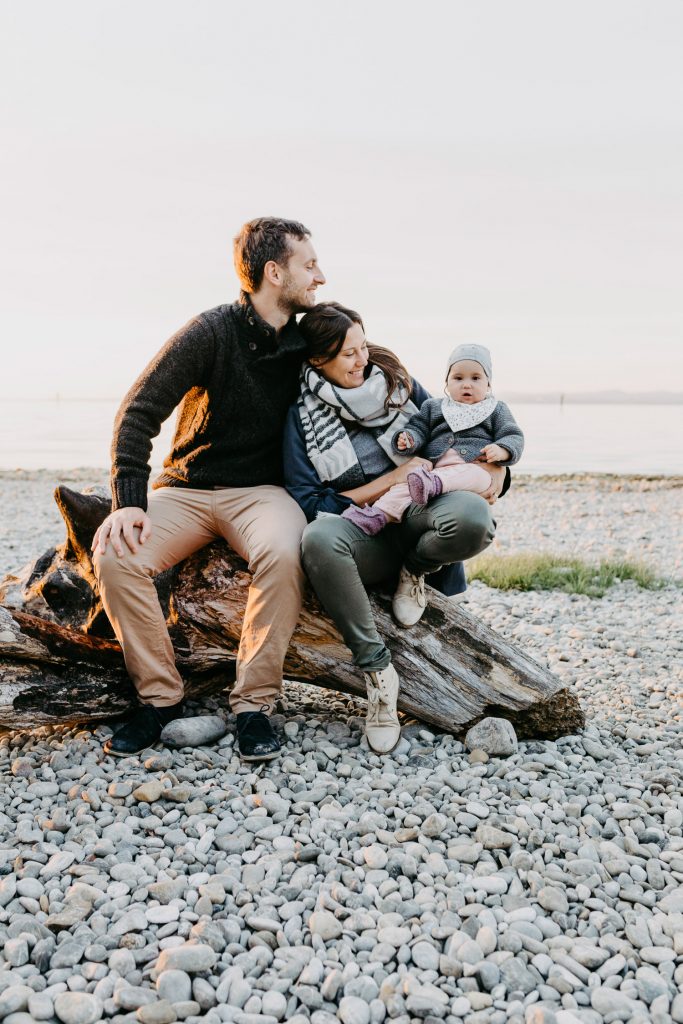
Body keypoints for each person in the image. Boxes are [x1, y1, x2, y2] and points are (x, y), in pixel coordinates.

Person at [91, 217, 325, 761]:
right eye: (309, 265)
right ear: (274, 272)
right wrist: (128, 502)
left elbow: (377, 375)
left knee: (285, 553)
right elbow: (138, 411)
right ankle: (160, 699)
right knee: (116, 557)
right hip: (186, 489)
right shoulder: (211, 331)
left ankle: (253, 706)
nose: (321, 276)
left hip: (262, 494)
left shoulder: (310, 336)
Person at [283, 303, 507, 755]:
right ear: (316, 361)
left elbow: (459, 435)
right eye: (348, 354)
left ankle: (417, 572)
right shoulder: (300, 416)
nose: (362, 359)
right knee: (318, 540)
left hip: (421, 523)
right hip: (365, 533)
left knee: (472, 518)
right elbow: (309, 502)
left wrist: (501, 475)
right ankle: (377, 674)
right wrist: (387, 482)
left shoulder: (398, 385)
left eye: (363, 345)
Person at [341, 343, 523, 534]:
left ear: (488, 384)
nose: (466, 384)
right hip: (432, 472)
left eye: (476, 378)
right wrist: (409, 438)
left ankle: (432, 485)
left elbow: (512, 435)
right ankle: (376, 515)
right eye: (458, 378)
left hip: (475, 468)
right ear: (447, 383)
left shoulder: (496, 410)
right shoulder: (434, 407)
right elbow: (418, 427)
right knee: (405, 487)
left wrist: (502, 450)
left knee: (473, 475)